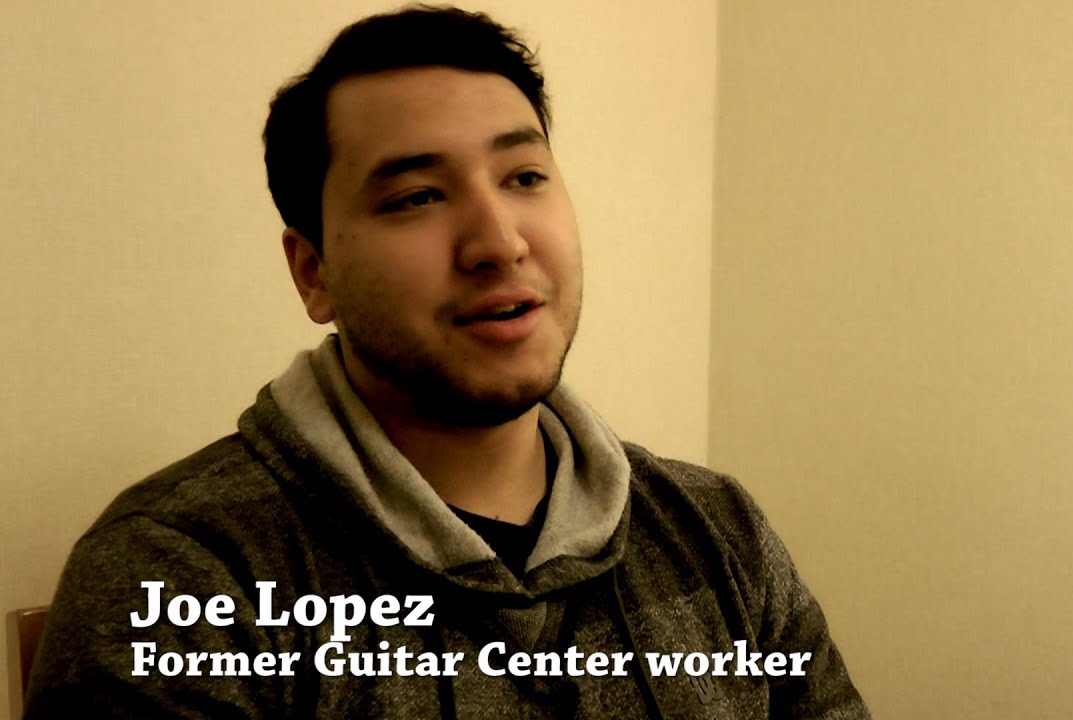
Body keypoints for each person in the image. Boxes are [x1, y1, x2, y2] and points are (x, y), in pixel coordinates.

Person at [24, 5, 871, 718]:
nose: (499, 242)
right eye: (418, 197)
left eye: (524, 176)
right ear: (314, 272)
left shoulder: (717, 530)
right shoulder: (183, 580)